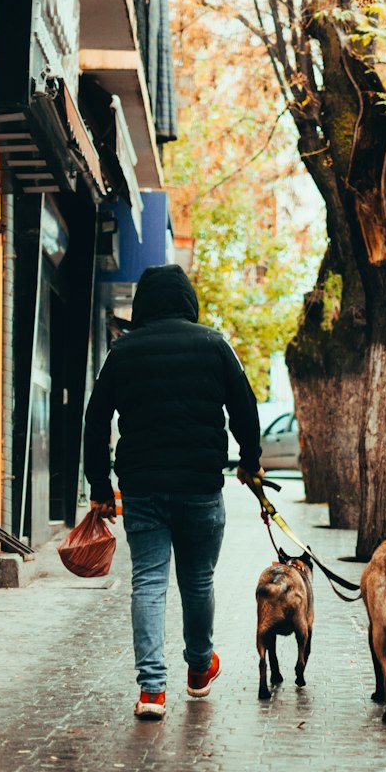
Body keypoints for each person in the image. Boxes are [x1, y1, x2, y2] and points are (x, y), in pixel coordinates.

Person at [83, 263, 262, 721]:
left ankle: (152, 691)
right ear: (188, 301)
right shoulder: (214, 344)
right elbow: (244, 405)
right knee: (197, 580)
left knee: (148, 581)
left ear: (143, 303)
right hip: (201, 486)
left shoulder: (122, 352)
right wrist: (249, 461)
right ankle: (199, 670)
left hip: (142, 488)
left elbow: (95, 418)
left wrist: (100, 485)